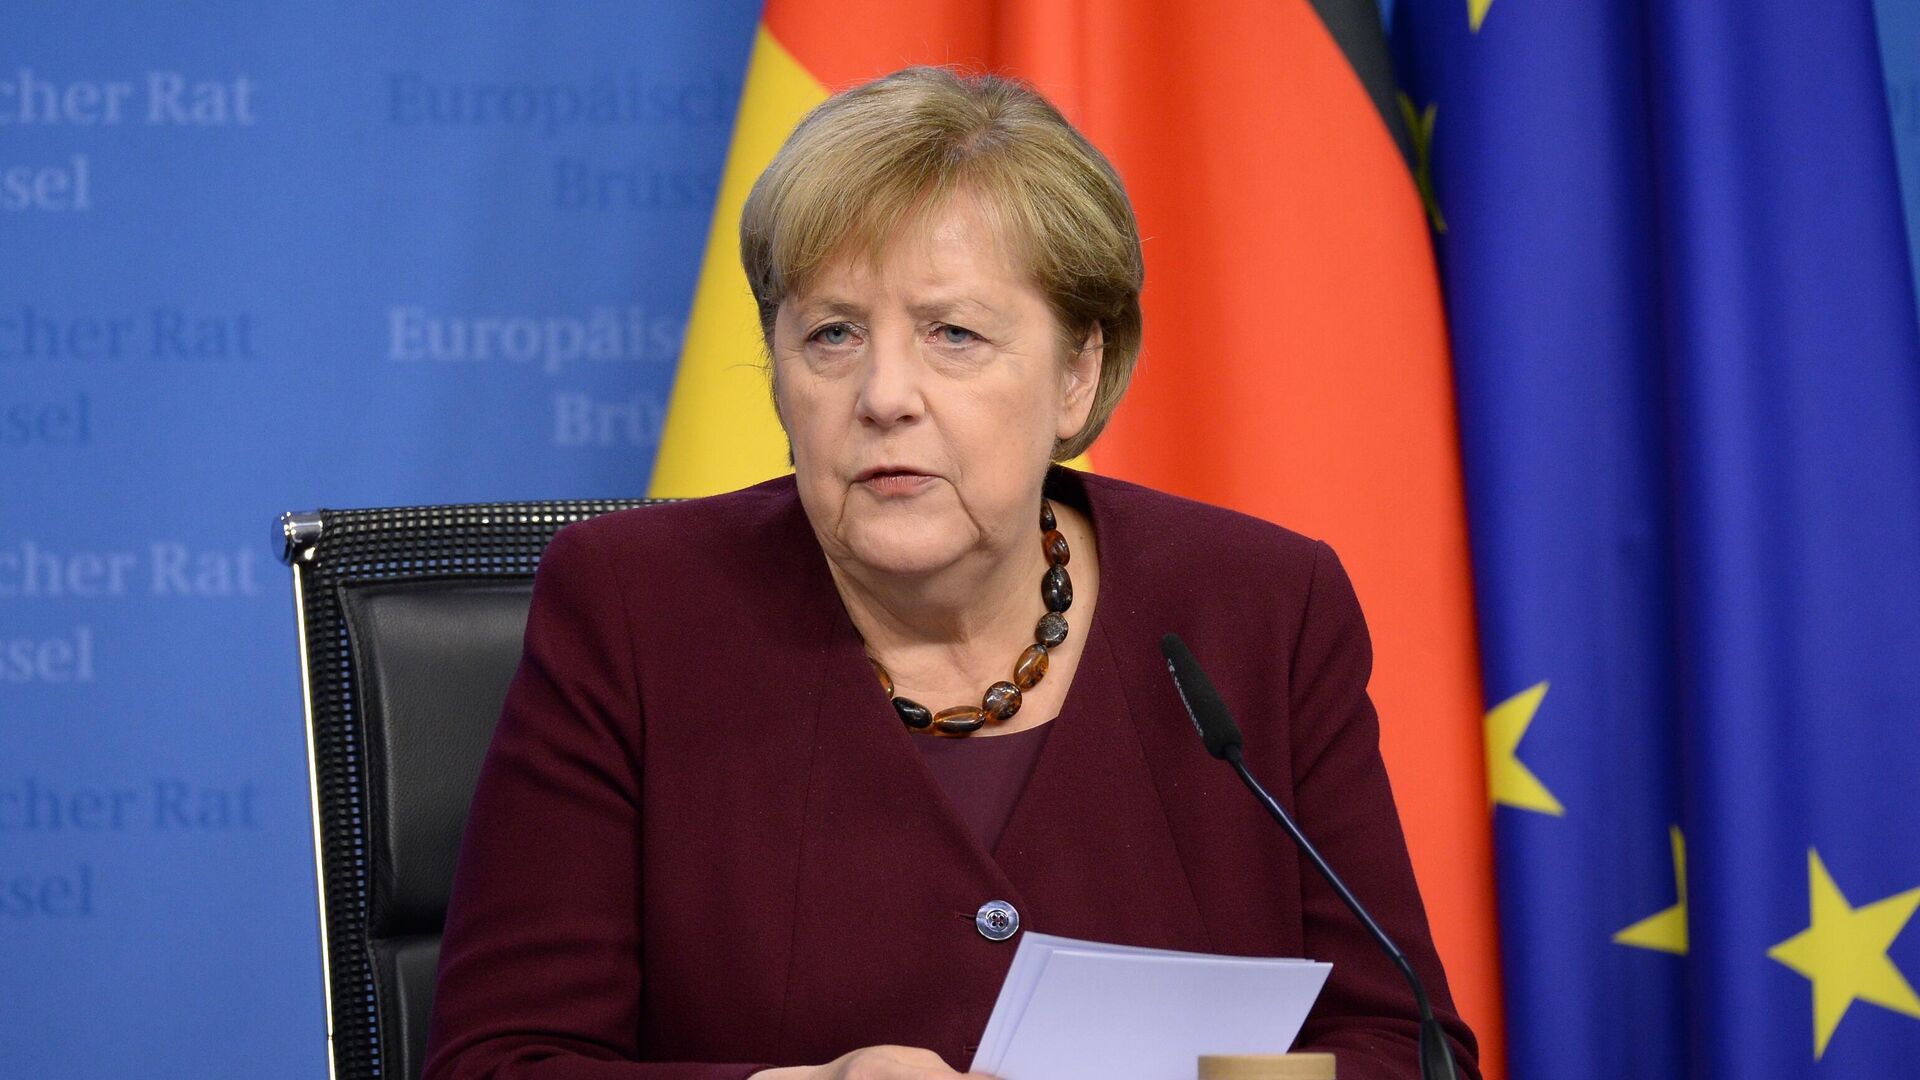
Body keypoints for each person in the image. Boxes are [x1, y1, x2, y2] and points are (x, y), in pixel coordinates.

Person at [421, 66, 1479, 1080]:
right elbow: (498, 1064)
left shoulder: (1263, 608)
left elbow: (1407, 1051)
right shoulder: (634, 612)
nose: (884, 394)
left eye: (954, 334)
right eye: (832, 334)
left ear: (1078, 373)